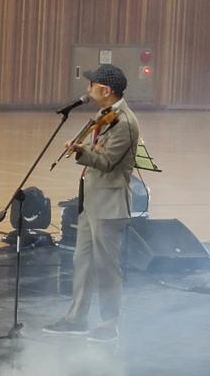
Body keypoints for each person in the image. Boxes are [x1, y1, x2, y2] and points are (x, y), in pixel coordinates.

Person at [43, 64, 140, 343]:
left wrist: (80, 152)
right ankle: (77, 318)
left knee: (106, 265)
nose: (87, 89)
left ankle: (109, 323)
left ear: (105, 90)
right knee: (82, 261)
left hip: (109, 204)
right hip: (92, 200)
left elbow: (107, 162)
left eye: (92, 85)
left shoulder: (125, 123)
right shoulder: (104, 114)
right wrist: (83, 148)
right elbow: (99, 149)